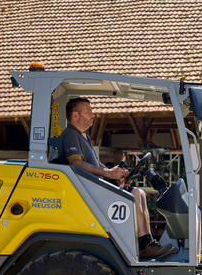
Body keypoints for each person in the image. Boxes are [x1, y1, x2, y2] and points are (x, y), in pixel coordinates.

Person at [59, 98, 173, 259]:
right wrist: (107, 174)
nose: (93, 115)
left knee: (139, 193)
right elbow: (75, 163)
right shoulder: (70, 134)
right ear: (75, 115)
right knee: (135, 194)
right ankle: (143, 246)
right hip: (87, 192)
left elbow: (97, 164)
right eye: (88, 111)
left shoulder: (83, 137)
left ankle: (147, 242)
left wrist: (115, 171)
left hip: (95, 188)